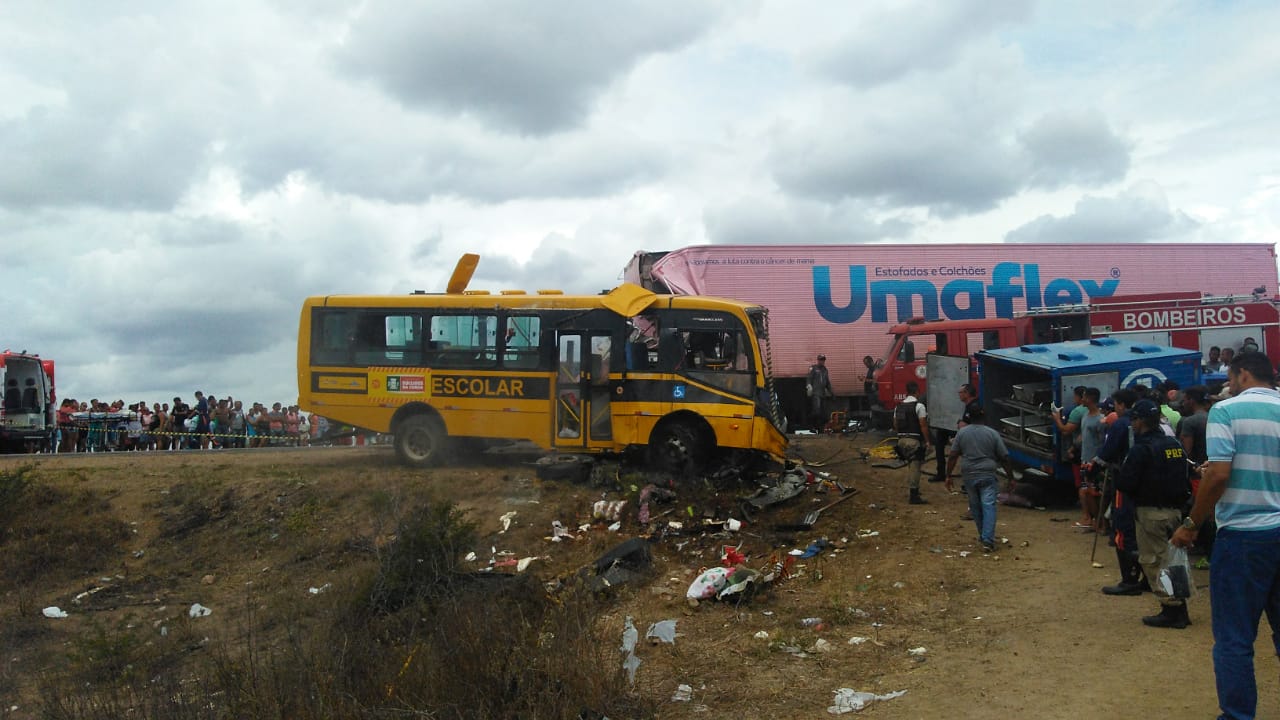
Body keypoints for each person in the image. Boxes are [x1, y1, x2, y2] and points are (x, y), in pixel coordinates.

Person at [1171, 351, 1280, 718]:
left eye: (1232, 378)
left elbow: (1220, 475)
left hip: (1244, 537)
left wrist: (1191, 524)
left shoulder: (1228, 411)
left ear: (1243, 374)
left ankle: (1237, 716)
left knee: (1234, 639)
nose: (1229, 384)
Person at [1114, 399, 1191, 629]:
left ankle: (1172, 610)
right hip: (1175, 512)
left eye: (1134, 419)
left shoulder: (1141, 449)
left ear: (1140, 421)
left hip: (1151, 513)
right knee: (1175, 562)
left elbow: (1126, 483)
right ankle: (1180, 607)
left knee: (1156, 562)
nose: (1132, 424)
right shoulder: (1173, 443)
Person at [1093, 388, 1148, 596]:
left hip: (1125, 482)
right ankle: (1147, 577)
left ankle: (1129, 579)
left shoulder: (1121, 424)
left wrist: (1094, 468)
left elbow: (1106, 453)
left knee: (1123, 530)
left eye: (1116, 404)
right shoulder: (1159, 424)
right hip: (1148, 487)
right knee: (1144, 531)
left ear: (1122, 405)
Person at [945, 406, 1014, 552]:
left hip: (969, 474)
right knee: (988, 505)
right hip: (988, 473)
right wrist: (1010, 477)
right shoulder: (992, 434)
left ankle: (983, 535)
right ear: (984, 418)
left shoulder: (962, 433)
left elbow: (952, 455)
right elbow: (1005, 457)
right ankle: (987, 539)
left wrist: (948, 475)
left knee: (975, 506)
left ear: (969, 418)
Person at [933, 383, 980, 482]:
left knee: (969, 461)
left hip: (973, 440)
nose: (959, 395)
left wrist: (962, 425)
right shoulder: (969, 406)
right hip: (968, 438)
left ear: (967, 393)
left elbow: (977, 426)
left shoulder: (974, 407)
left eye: (960, 392)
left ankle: (970, 483)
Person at [895, 381, 930, 504]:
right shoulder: (919, 406)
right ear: (917, 392)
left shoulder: (898, 406)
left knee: (910, 466)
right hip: (913, 441)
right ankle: (914, 496)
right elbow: (923, 425)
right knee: (915, 467)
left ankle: (914, 490)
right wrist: (927, 441)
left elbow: (895, 424)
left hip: (901, 441)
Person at [807, 354, 834, 430]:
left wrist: (831, 392)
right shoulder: (813, 368)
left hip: (822, 394)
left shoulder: (825, 370)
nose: (822, 361)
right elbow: (809, 378)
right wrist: (809, 386)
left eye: (823, 360)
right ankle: (811, 425)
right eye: (821, 360)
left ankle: (820, 428)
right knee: (816, 410)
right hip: (815, 393)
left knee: (823, 412)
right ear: (818, 360)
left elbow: (827, 383)